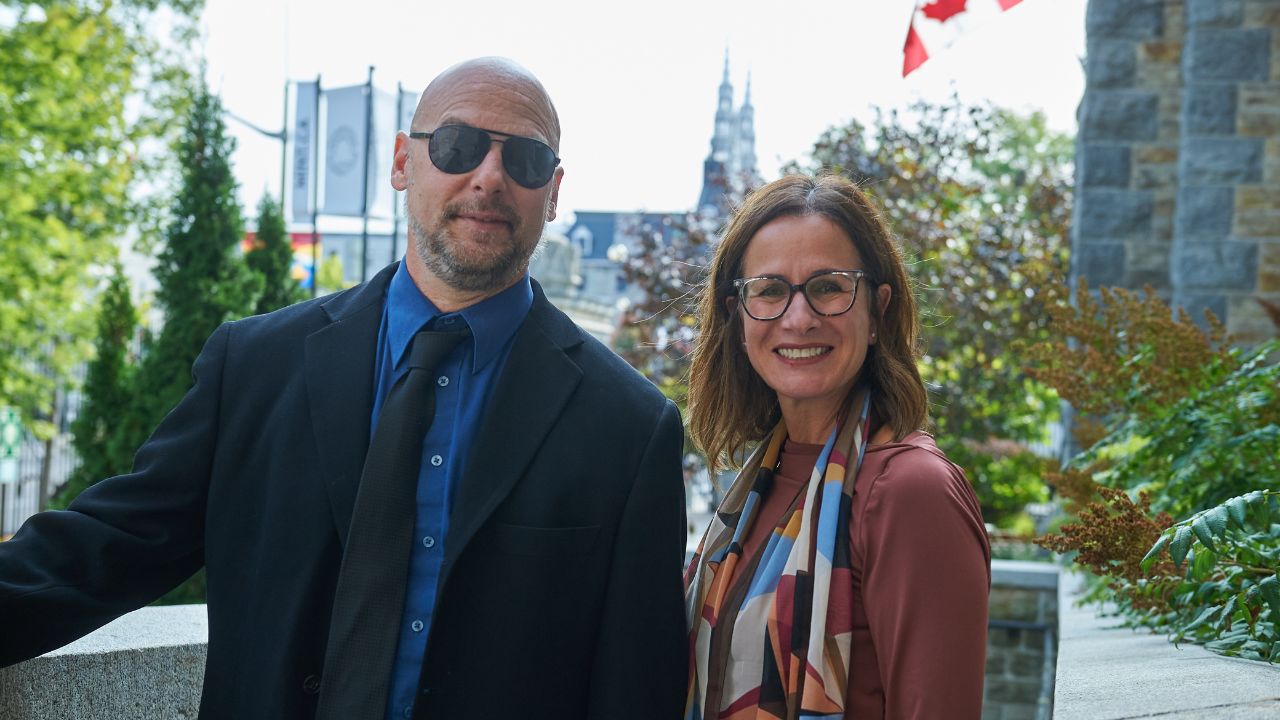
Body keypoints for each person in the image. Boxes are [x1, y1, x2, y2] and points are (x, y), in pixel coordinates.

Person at [0, 57, 688, 720]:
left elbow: (635, 687)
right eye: (457, 145)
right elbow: (107, 548)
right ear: (400, 162)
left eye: (525, 158)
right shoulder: (254, 367)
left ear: (555, 190)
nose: (489, 177)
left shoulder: (628, 428)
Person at [684, 173, 990, 719]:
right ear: (737, 316)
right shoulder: (758, 485)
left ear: (877, 310)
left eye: (828, 286)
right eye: (770, 290)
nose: (798, 319)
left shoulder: (910, 493)